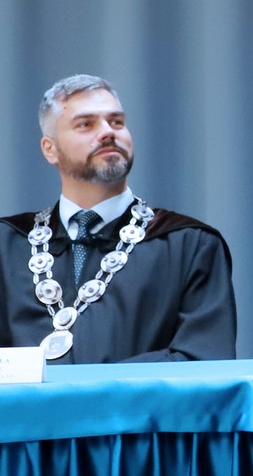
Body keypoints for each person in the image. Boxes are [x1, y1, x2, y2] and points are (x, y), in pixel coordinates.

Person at [1, 75, 234, 362]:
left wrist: (95, 386)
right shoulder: (7, 245)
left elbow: (204, 361)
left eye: (116, 122)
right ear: (50, 149)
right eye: (85, 124)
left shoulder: (188, 244)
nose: (107, 132)